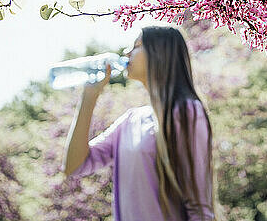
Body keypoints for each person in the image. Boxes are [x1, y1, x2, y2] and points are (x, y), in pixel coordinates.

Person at [62, 25, 222, 221]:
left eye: (136, 45)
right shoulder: (131, 120)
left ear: (160, 53)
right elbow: (73, 166)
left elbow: (199, 206)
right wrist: (89, 97)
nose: (126, 52)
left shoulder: (187, 112)